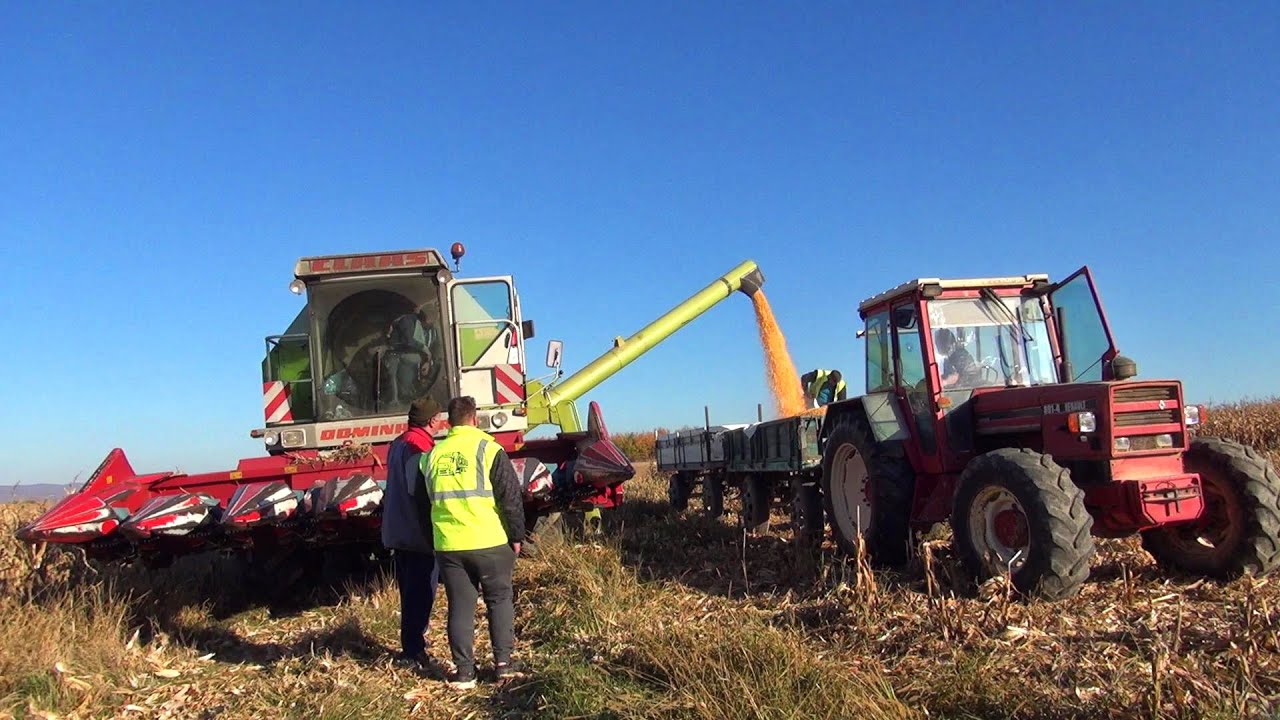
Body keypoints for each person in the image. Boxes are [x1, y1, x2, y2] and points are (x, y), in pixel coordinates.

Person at [422, 396, 527, 690]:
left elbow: (422, 502)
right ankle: (504, 665)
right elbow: (510, 498)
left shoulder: (432, 455)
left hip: (449, 545)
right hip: (490, 540)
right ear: (474, 418)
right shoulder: (489, 449)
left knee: (460, 605)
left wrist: (432, 538)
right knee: (499, 599)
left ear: (448, 422)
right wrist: (516, 535)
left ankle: (465, 672)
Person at [380, 397, 442, 667]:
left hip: (397, 530)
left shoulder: (397, 443)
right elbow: (420, 492)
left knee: (409, 591)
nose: (441, 422)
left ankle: (412, 644)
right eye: (439, 418)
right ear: (431, 421)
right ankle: (414, 650)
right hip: (416, 534)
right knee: (421, 592)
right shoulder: (420, 446)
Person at [383, 305, 438, 408]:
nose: (432, 323)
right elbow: (408, 340)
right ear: (426, 318)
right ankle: (394, 402)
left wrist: (427, 361)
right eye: (431, 320)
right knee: (393, 379)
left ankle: (405, 400)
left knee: (406, 382)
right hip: (396, 355)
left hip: (412, 358)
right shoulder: (407, 321)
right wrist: (424, 349)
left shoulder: (430, 330)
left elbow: (432, 346)